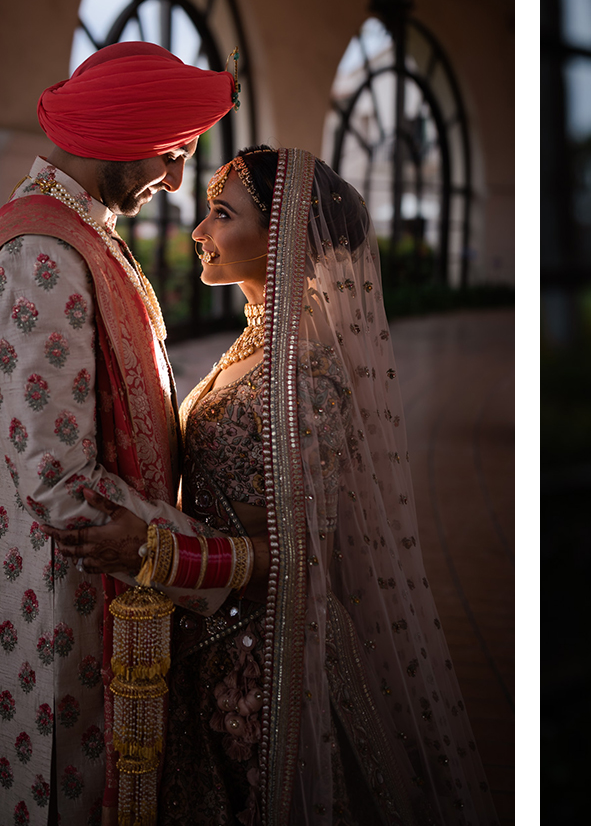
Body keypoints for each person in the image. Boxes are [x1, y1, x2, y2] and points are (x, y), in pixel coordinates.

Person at [53, 146, 497, 822]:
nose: (199, 232)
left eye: (221, 215)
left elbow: (300, 560)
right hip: (211, 644)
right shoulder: (253, 348)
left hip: (263, 677)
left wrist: (151, 549)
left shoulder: (307, 379)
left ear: (281, 237)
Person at [0, 40, 235, 826]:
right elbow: (57, 480)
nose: (177, 180)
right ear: (119, 131)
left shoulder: (79, 227)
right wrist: (216, 561)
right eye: (174, 153)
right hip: (63, 603)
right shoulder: (42, 250)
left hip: (92, 588)